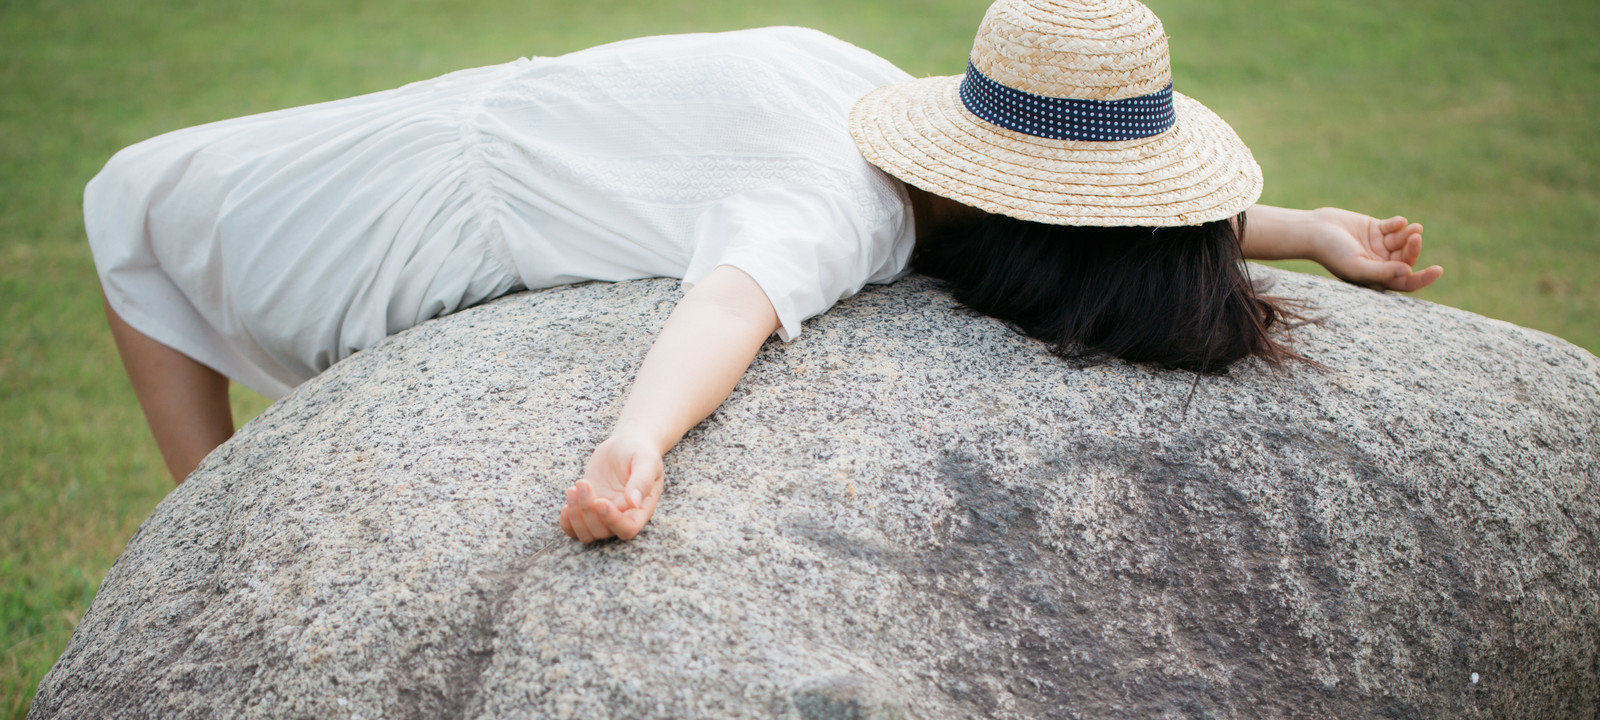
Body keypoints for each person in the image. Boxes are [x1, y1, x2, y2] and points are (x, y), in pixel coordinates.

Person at [85, 0, 1441, 544]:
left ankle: (208, 522)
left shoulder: (884, 102)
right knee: (142, 210)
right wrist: (638, 438)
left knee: (141, 199)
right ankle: (203, 517)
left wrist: (1307, 222)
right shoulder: (838, 202)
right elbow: (730, 301)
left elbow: (1104, 210)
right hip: (412, 208)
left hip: (486, 124)